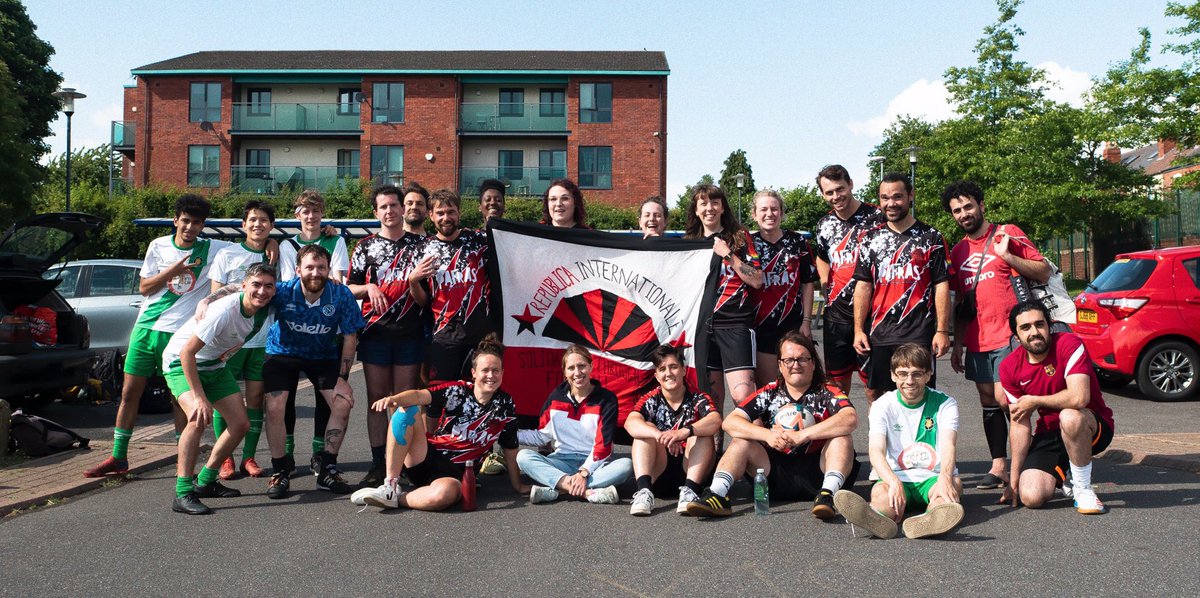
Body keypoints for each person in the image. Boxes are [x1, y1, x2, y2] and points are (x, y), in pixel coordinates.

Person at [85, 195, 232, 478]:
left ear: (203, 225)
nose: (190, 227)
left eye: (197, 223)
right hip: (145, 329)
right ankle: (118, 456)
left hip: (178, 335)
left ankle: (182, 459)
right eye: (185, 221)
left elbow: (253, 242)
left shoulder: (214, 249)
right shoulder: (158, 245)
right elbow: (144, 288)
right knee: (129, 393)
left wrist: (274, 243)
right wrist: (172, 271)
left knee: (178, 399)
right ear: (176, 220)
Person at [943, 180, 1052, 490]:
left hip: (1011, 336)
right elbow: (963, 302)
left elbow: (1043, 270)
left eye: (968, 206)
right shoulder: (960, 250)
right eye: (957, 211)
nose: (964, 213)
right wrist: (959, 344)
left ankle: (1032, 460)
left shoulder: (1008, 234)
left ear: (981, 206)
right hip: (978, 339)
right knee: (988, 401)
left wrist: (1008, 256)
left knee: (1009, 400)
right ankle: (999, 466)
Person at [686, 331, 859, 518]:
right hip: (773, 474)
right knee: (740, 440)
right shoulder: (770, 393)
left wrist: (803, 435)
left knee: (842, 438)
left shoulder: (826, 391)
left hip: (818, 469)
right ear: (780, 365)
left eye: (802, 359)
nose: (795, 365)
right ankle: (717, 494)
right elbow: (730, 422)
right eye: (789, 360)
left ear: (813, 363)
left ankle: (829, 495)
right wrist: (767, 435)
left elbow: (850, 418)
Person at [354, 334, 525, 511]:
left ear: (503, 373)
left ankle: (397, 498)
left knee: (445, 495)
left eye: (496, 370)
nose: (491, 375)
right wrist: (393, 399)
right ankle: (389, 486)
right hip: (427, 456)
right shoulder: (457, 390)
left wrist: (518, 486)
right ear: (474, 373)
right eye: (485, 370)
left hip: (455, 475)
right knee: (407, 409)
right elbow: (420, 395)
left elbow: (510, 448)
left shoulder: (505, 405)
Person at [164, 263, 276, 514]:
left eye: (268, 286)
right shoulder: (224, 311)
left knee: (240, 424)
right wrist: (200, 398)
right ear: (245, 286)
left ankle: (205, 481)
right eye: (256, 285)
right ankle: (182, 493)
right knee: (196, 418)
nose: (262, 291)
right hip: (181, 363)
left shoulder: (263, 306)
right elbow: (187, 353)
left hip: (214, 365)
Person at [259, 244, 365, 498]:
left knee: (342, 402)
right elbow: (246, 293)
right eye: (309, 267)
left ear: (329, 269)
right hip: (282, 353)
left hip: (322, 355)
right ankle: (280, 470)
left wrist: (342, 378)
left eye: (321, 267)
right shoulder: (283, 291)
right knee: (275, 407)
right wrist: (208, 301)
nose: (315, 272)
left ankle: (328, 467)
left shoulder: (340, 294)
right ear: (298, 270)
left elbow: (350, 337)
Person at [834, 343, 964, 539]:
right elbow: (876, 450)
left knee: (949, 490)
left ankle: (931, 520)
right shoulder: (882, 405)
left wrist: (945, 478)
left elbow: (948, 445)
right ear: (893, 375)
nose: (909, 381)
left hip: (933, 477)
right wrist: (893, 482)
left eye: (917, 374)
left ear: (928, 375)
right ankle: (878, 516)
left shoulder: (946, 404)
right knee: (881, 496)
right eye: (903, 374)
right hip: (895, 476)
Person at [347, 183, 431, 487]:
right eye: (383, 206)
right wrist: (367, 287)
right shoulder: (365, 247)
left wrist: (413, 283)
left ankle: (404, 463)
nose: (390, 211)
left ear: (403, 208)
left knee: (404, 401)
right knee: (377, 399)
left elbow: (428, 299)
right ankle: (377, 462)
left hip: (410, 334)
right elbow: (348, 287)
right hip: (375, 333)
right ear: (376, 212)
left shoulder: (422, 246)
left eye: (394, 205)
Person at [998, 301, 1114, 514]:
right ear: (1016, 336)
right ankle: (1066, 472)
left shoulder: (1069, 343)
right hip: (1051, 433)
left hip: (1090, 425)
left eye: (1039, 324)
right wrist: (1013, 480)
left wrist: (1035, 400)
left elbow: (1079, 398)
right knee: (1031, 496)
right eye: (1026, 328)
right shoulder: (1009, 367)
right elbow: (1019, 423)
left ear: (1049, 326)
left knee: (1070, 416)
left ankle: (1083, 489)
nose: (1034, 332)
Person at [853, 173, 951, 403]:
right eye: (884, 198)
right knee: (880, 399)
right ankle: (880, 440)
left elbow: (941, 285)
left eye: (897, 197)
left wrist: (943, 330)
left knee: (919, 395)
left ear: (910, 196)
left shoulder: (931, 237)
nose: (890, 203)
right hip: (880, 333)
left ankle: (920, 440)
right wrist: (858, 329)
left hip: (918, 333)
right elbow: (864, 286)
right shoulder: (870, 239)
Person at [683, 184, 764, 445]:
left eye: (715, 202)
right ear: (695, 210)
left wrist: (728, 255)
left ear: (722, 207)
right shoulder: (689, 244)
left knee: (743, 396)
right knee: (711, 402)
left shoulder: (739, 238)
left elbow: (758, 280)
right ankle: (713, 458)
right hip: (702, 328)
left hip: (735, 324)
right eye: (703, 203)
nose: (710, 208)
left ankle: (758, 455)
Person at [276, 190, 348, 476]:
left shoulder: (336, 239)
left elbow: (338, 280)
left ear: (322, 213)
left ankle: (320, 454)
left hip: (325, 330)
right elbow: (288, 281)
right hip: (293, 330)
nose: (311, 215)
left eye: (316, 210)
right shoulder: (286, 245)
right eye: (305, 211)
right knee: (287, 397)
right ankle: (289, 455)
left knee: (323, 397)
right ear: (297, 215)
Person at [207, 200, 278, 480]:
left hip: (262, 342)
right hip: (230, 342)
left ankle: (248, 457)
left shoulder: (278, 255)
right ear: (243, 224)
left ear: (271, 226)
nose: (257, 224)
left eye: (263, 220)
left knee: (255, 400)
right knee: (222, 400)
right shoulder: (227, 254)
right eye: (252, 219)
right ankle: (225, 458)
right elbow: (214, 297)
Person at [517, 345, 633, 505]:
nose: (577, 373)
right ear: (564, 373)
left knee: (626, 465)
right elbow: (541, 436)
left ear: (591, 366)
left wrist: (584, 472)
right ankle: (586, 493)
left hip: (595, 465)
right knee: (523, 457)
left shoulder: (607, 399)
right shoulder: (556, 396)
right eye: (571, 368)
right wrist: (508, 434)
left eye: (582, 366)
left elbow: (603, 446)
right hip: (561, 461)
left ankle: (557, 489)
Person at [624, 345, 722, 516]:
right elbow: (630, 423)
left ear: (683, 370)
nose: (668, 373)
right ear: (656, 375)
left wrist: (684, 432)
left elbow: (715, 420)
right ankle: (644, 492)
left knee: (702, 433)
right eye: (662, 369)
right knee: (644, 431)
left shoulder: (699, 397)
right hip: (660, 471)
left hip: (691, 468)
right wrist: (660, 435)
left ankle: (690, 492)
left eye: (673, 367)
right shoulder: (650, 399)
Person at [408, 189, 493, 384]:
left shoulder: (478, 242)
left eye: (450, 212)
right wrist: (413, 281)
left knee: (479, 395)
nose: (446, 217)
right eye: (440, 213)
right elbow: (423, 301)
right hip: (444, 337)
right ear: (431, 215)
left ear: (459, 213)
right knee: (438, 399)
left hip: (480, 336)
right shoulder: (423, 250)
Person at [812, 164, 882, 396]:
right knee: (836, 387)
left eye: (840, 189)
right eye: (829, 192)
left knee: (873, 389)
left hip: (873, 315)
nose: (835, 197)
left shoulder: (877, 218)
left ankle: (877, 434)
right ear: (822, 194)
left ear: (851, 184)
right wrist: (825, 283)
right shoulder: (824, 225)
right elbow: (821, 257)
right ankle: (839, 432)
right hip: (837, 317)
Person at [750, 189, 818, 386]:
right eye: (763, 209)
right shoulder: (748, 245)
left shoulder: (798, 242)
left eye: (774, 209)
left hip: (792, 326)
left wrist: (806, 321)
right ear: (754, 214)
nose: (769, 214)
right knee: (768, 389)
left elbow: (807, 283)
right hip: (761, 328)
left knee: (797, 385)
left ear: (782, 212)